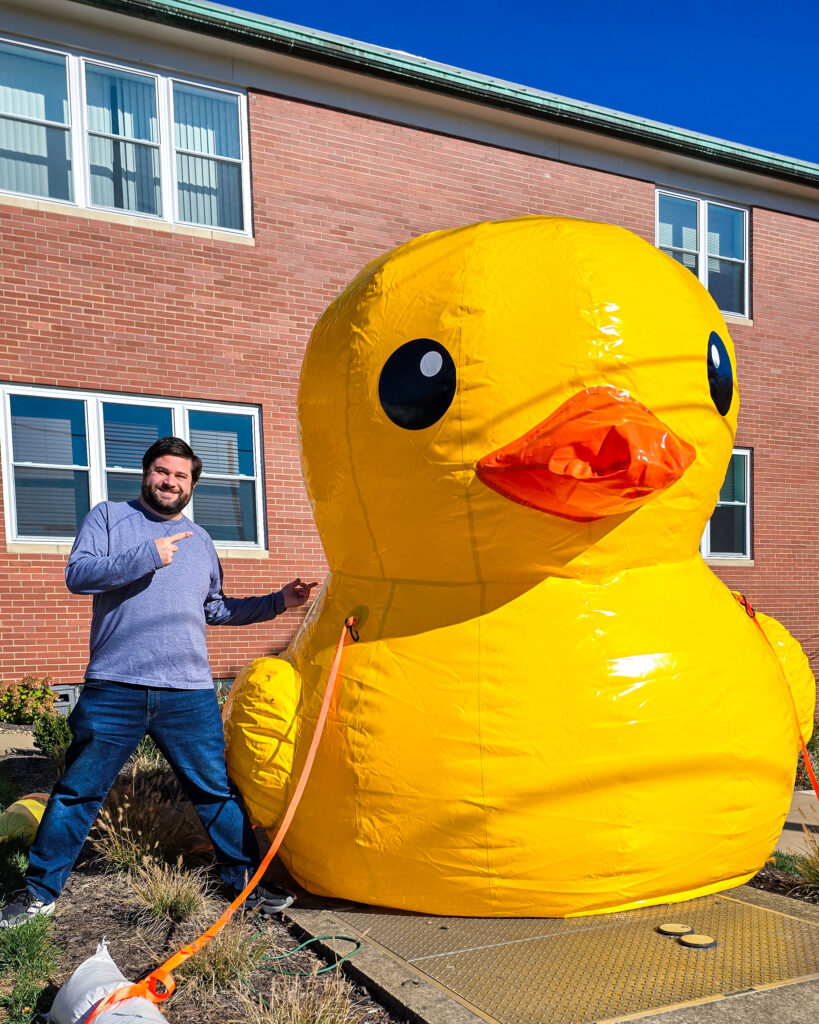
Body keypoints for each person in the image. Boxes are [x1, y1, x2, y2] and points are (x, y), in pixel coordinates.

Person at [0, 437, 317, 928]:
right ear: (146, 473)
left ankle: (245, 885)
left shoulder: (202, 542)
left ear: (192, 485)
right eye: (162, 472)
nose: (170, 482)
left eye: (181, 476)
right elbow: (79, 575)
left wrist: (280, 600)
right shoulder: (108, 517)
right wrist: (147, 555)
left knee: (215, 792)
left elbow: (215, 608)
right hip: (115, 688)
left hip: (188, 694)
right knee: (78, 793)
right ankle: (40, 894)